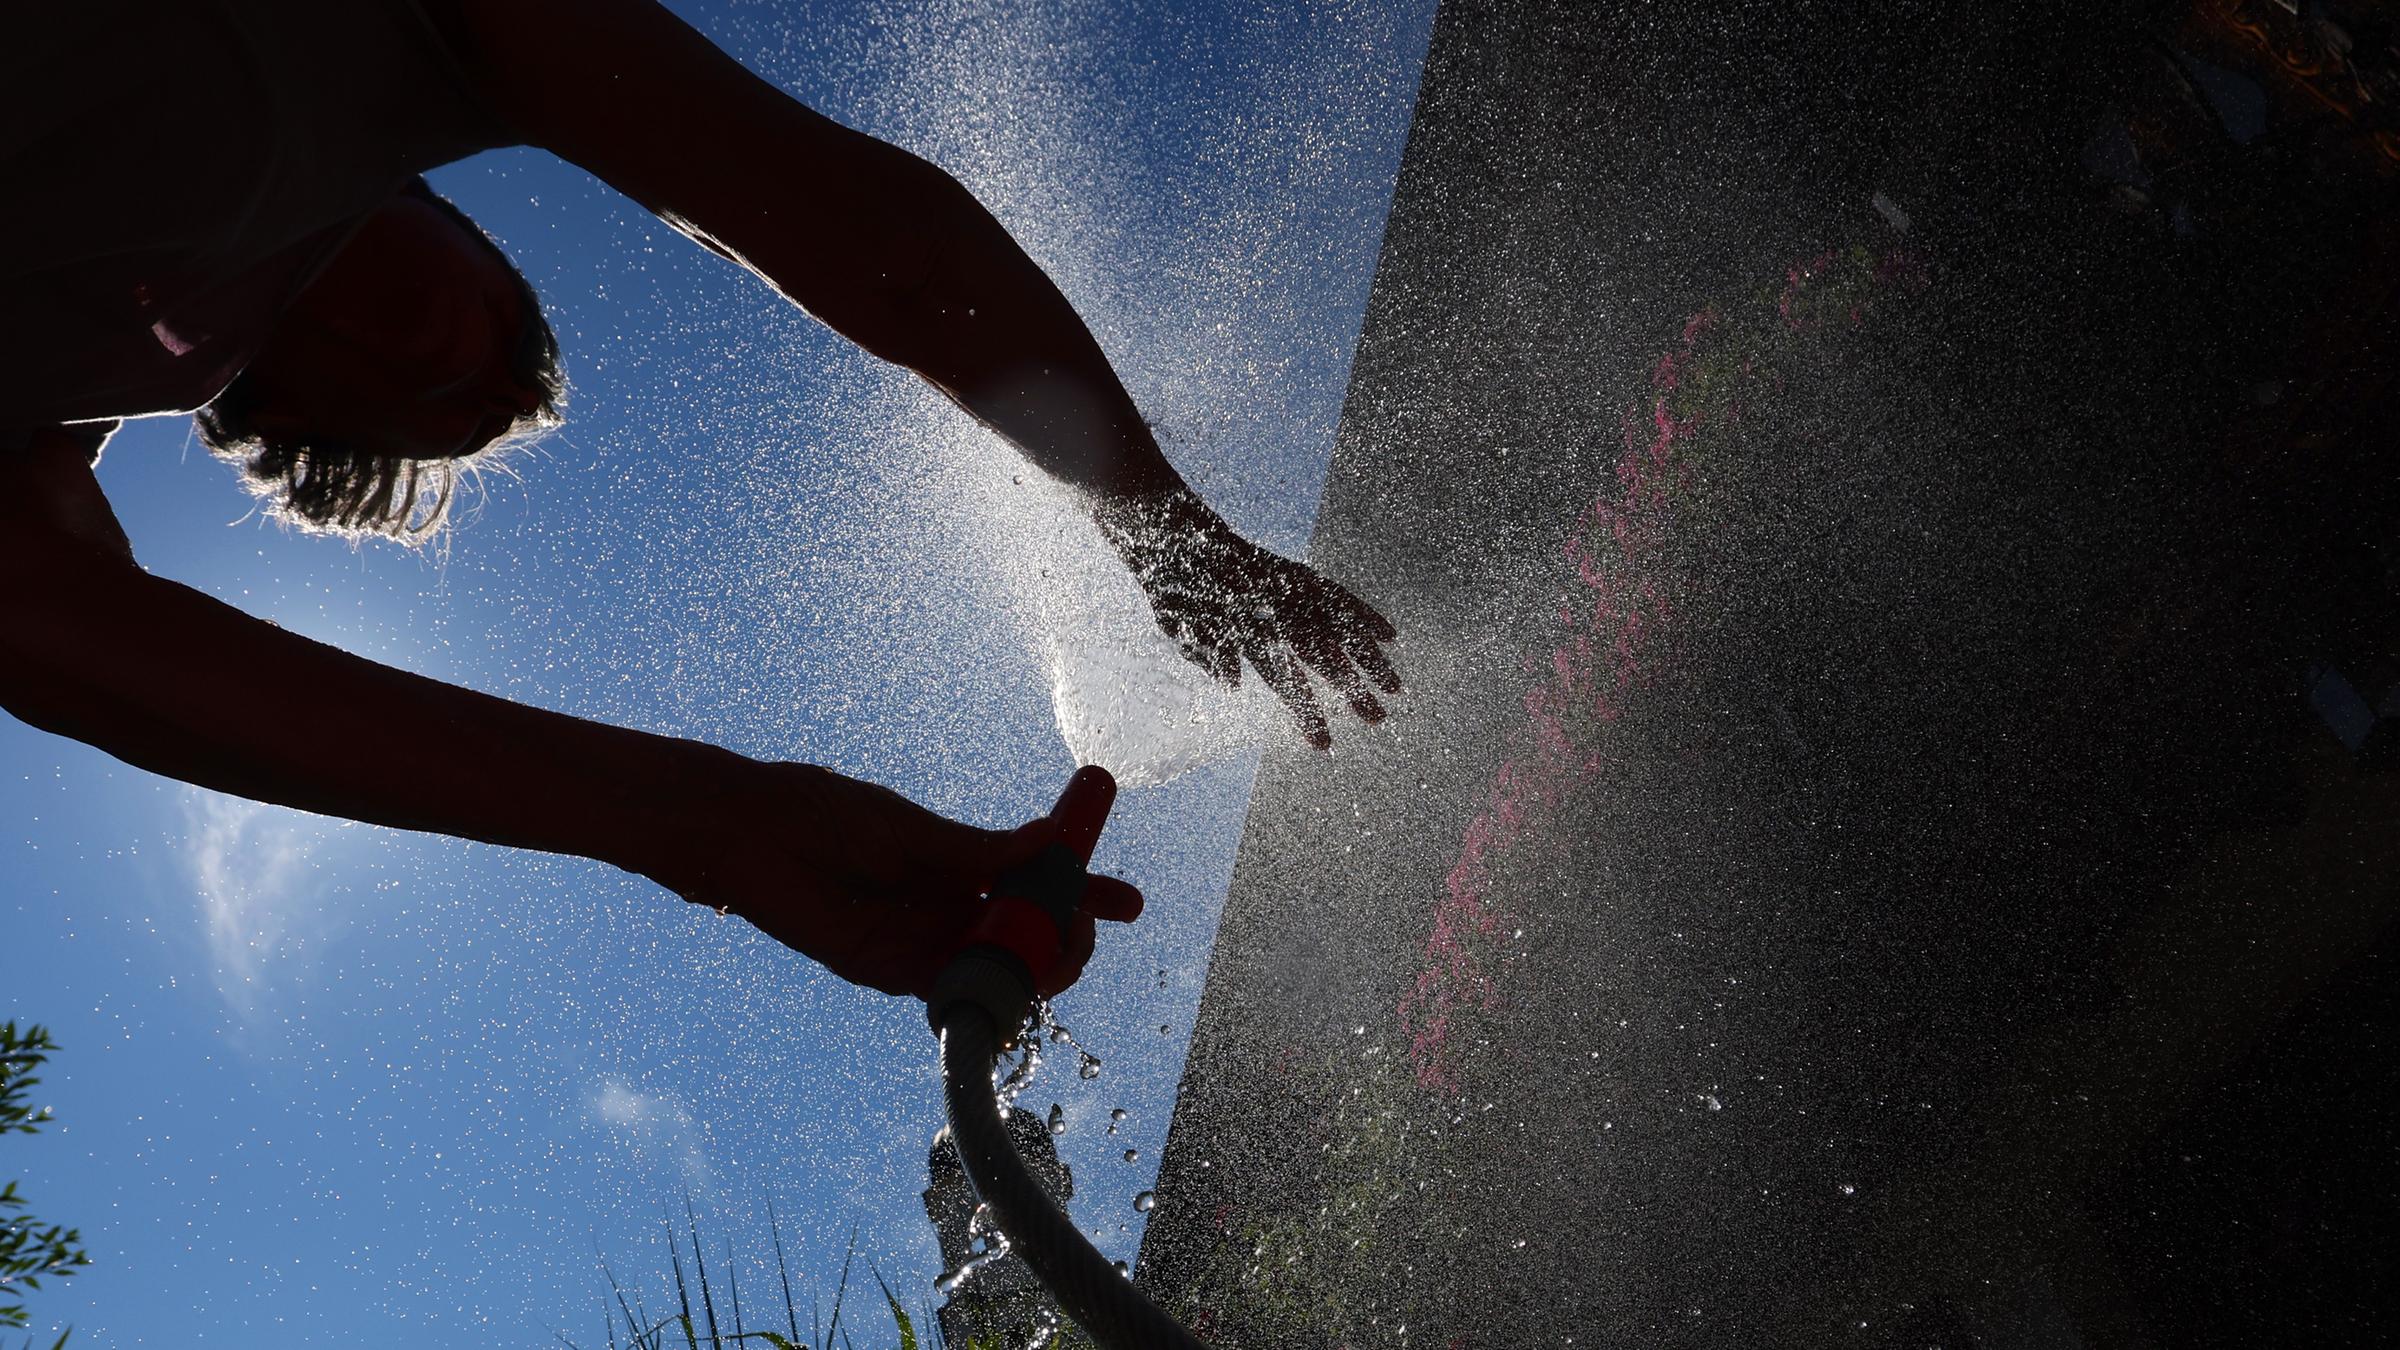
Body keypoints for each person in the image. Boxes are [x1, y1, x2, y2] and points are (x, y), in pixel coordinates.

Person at [0, 0, 1400, 1001]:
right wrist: (1156, 523)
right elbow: (872, 245)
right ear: (453, 210)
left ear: (298, 424)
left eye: (442, 411)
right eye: (499, 334)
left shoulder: (46, 412)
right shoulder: (414, 35)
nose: (447, 366)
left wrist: (714, 825)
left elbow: (69, 645)